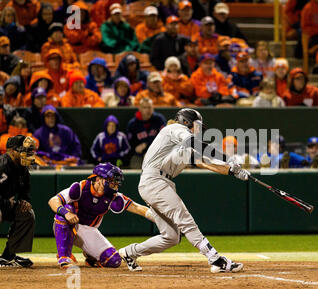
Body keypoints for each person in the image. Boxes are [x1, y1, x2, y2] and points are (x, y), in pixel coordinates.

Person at [119, 108, 246, 273]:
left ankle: (130, 252)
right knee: (184, 219)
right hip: (155, 181)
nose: (197, 130)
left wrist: (233, 170)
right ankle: (215, 259)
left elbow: (204, 162)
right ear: (186, 121)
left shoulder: (179, 146)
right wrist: (227, 158)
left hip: (155, 183)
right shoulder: (175, 129)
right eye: (196, 125)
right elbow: (195, 144)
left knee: (171, 237)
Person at [48, 162, 156, 269]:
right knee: (66, 209)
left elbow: (136, 207)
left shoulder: (113, 196)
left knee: (114, 261)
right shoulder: (80, 187)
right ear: (99, 179)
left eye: (115, 182)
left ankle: (91, 256)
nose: (114, 184)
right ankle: (64, 257)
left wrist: (158, 218)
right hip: (69, 225)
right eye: (111, 181)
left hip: (89, 231)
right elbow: (53, 200)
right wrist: (66, 213)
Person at [0, 134, 36, 268]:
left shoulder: (22, 167)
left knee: (27, 214)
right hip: (2, 204)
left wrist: (24, 200)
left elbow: (25, 190)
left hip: (5, 205)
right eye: (23, 150)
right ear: (11, 150)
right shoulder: (2, 166)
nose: (27, 154)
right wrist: (4, 202)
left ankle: (8, 256)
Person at [126, 97, 166, 169]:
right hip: (138, 155)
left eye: (149, 107)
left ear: (153, 108)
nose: (147, 110)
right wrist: (135, 149)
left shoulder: (159, 119)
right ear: (140, 108)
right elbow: (129, 144)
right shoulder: (133, 124)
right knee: (135, 167)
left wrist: (146, 144)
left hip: (156, 153)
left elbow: (164, 138)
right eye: (145, 107)